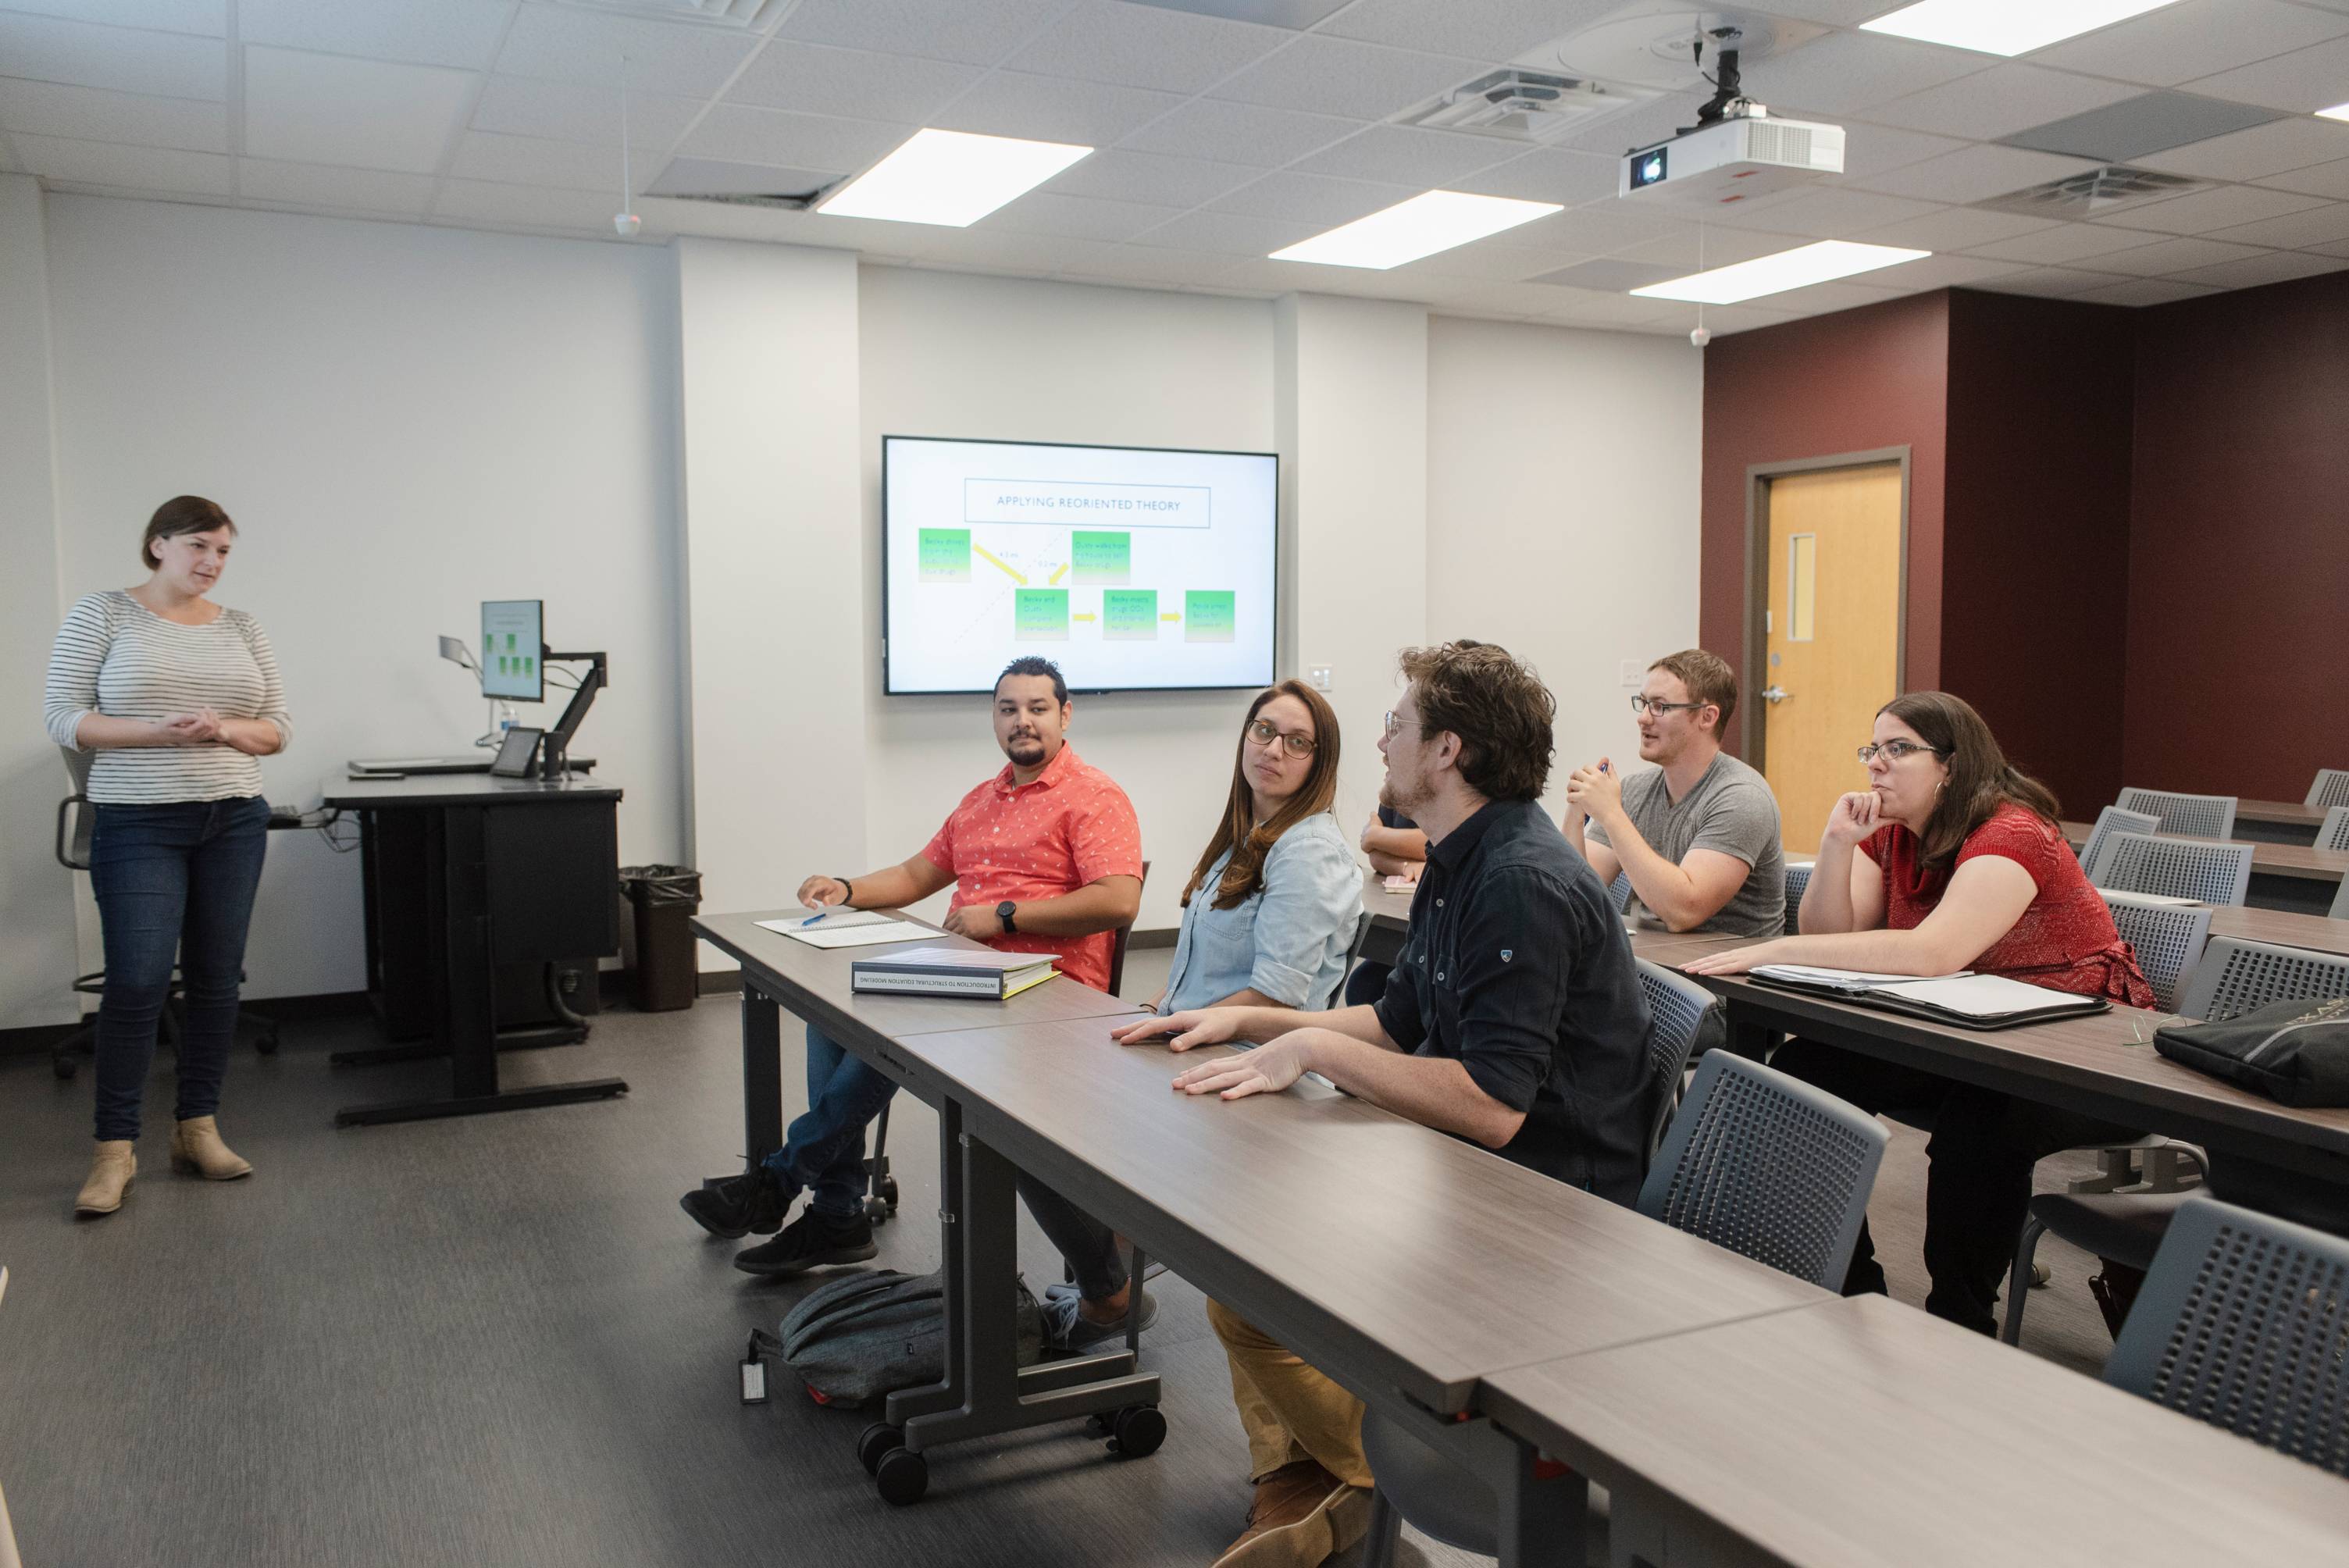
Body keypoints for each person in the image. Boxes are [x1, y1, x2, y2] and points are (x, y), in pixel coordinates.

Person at [1113, 641, 1652, 1568]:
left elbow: (1490, 1106)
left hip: (1547, 1211)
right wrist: (1255, 1022)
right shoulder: (1459, 853)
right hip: (1469, 1166)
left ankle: (1363, 1473)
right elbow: (1403, 1018)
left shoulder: (1518, 879)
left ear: (1447, 751)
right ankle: (1334, 1476)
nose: (1379, 737)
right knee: (1247, 1276)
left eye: (1397, 724)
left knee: (1257, 1285)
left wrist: (1314, 1044)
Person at [683, 657, 1150, 1341]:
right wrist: (846, 887)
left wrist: (1008, 915)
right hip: (964, 975)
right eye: (1008, 709)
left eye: (1038, 708)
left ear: (1065, 715)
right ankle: (837, 1213)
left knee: (890, 1035)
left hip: (1043, 989)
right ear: (994, 718)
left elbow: (1120, 898)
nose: (1022, 721)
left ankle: (782, 1182)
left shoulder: (1093, 796)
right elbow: (915, 874)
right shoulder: (982, 799)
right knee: (834, 1017)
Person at [1684, 691, 2154, 1335]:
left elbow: (1933, 953)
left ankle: (1960, 1324)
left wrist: (1778, 946)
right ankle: (1853, 1286)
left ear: (1953, 767)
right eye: (1872, 748)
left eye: (1898, 749)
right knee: (1796, 1076)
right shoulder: (1897, 837)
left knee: (1982, 1123)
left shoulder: (2013, 833)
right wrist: (1837, 845)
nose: (1876, 764)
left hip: (2078, 1048)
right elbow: (1830, 934)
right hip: (1962, 1031)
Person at [43, 496, 291, 1217]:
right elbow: (63, 715)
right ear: (158, 546)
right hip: (138, 821)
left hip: (234, 818)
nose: (212, 563)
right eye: (198, 548)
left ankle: (197, 1130)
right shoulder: (105, 614)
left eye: (223, 552)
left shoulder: (243, 626)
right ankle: (113, 1153)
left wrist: (226, 730)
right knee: (139, 982)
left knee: (217, 981)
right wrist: (158, 733)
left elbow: (277, 728)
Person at [1150, 679, 1360, 1018]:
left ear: (1319, 763)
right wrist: (1149, 1010)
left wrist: (1168, 1028)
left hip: (1246, 1055)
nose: (1273, 750)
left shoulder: (1310, 853)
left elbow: (1273, 999)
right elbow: (1198, 979)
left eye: (1297, 742)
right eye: (1264, 731)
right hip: (1195, 1038)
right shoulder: (1246, 837)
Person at [1563, 648, 1785, 938]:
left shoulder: (1742, 797)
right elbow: (1575, 897)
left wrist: (1611, 814)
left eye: (1660, 707)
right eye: (1643, 703)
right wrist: (1575, 813)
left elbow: (1684, 912)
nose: (1643, 718)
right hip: (1655, 961)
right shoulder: (1635, 790)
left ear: (1707, 717)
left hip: (1724, 976)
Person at [1343, 802, 1426, 1006]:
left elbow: (1435, 842)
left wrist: (1375, 835)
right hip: (1403, 917)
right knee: (1363, 985)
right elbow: (1375, 856)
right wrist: (1406, 866)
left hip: (1428, 934)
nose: (1386, 768)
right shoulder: (1395, 793)